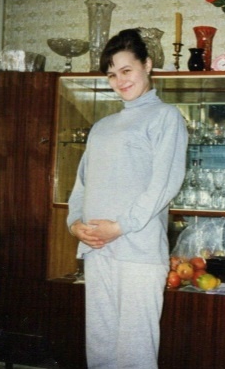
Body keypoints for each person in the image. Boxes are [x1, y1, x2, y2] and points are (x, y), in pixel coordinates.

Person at [67, 28, 188, 369]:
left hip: (139, 252)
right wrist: (74, 224)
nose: (120, 81)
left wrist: (119, 227)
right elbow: (81, 185)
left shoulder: (165, 117)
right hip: (97, 249)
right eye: (111, 75)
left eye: (126, 70)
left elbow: (163, 185)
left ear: (147, 65)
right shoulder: (102, 127)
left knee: (135, 355)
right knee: (101, 352)